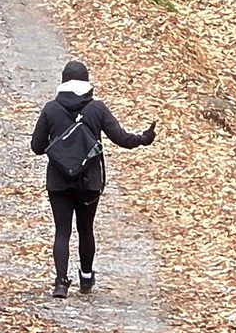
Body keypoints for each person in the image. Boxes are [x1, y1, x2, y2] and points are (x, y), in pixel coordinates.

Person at [30, 58, 154, 298]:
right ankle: (86, 277)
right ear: (87, 82)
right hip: (89, 181)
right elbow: (121, 138)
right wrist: (144, 138)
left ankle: (60, 282)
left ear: (63, 82)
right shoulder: (97, 109)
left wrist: (59, 147)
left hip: (59, 181)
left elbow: (36, 146)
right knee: (86, 228)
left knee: (62, 231)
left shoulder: (51, 109)